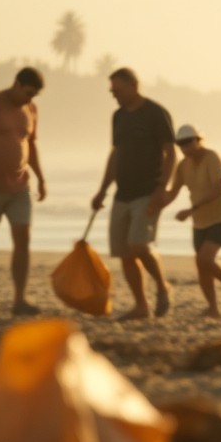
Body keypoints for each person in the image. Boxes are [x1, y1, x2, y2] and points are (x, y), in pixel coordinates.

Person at [91, 68, 176, 321]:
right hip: (122, 193)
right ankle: (141, 306)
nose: (114, 95)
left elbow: (170, 152)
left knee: (139, 244)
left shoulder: (155, 113)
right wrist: (102, 190)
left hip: (148, 191)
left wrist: (162, 189)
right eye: (112, 91)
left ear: (134, 85)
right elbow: (116, 154)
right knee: (124, 254)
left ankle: (162, 286)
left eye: (117, 90)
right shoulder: (118, 116)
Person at [0, 67, 47, 318]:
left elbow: (30, 144)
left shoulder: (31, 110)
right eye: (28, 92)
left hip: (20, 186)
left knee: (23, 238)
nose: (30, 99)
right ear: (17, 84)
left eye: (34, 95)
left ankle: (19, 299)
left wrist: (42, 178)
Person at [160, 124, 221, 317]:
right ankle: (213, 307)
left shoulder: (212, 158)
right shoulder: (183, 165)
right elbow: (172, 192)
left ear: (198, 141)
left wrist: (191, 209)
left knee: (205, 258)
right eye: (181, 144)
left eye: (189, 142)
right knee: (202, 264)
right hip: (200, 220)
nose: (185, 147)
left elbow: (219, 188)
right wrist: (154, 204)